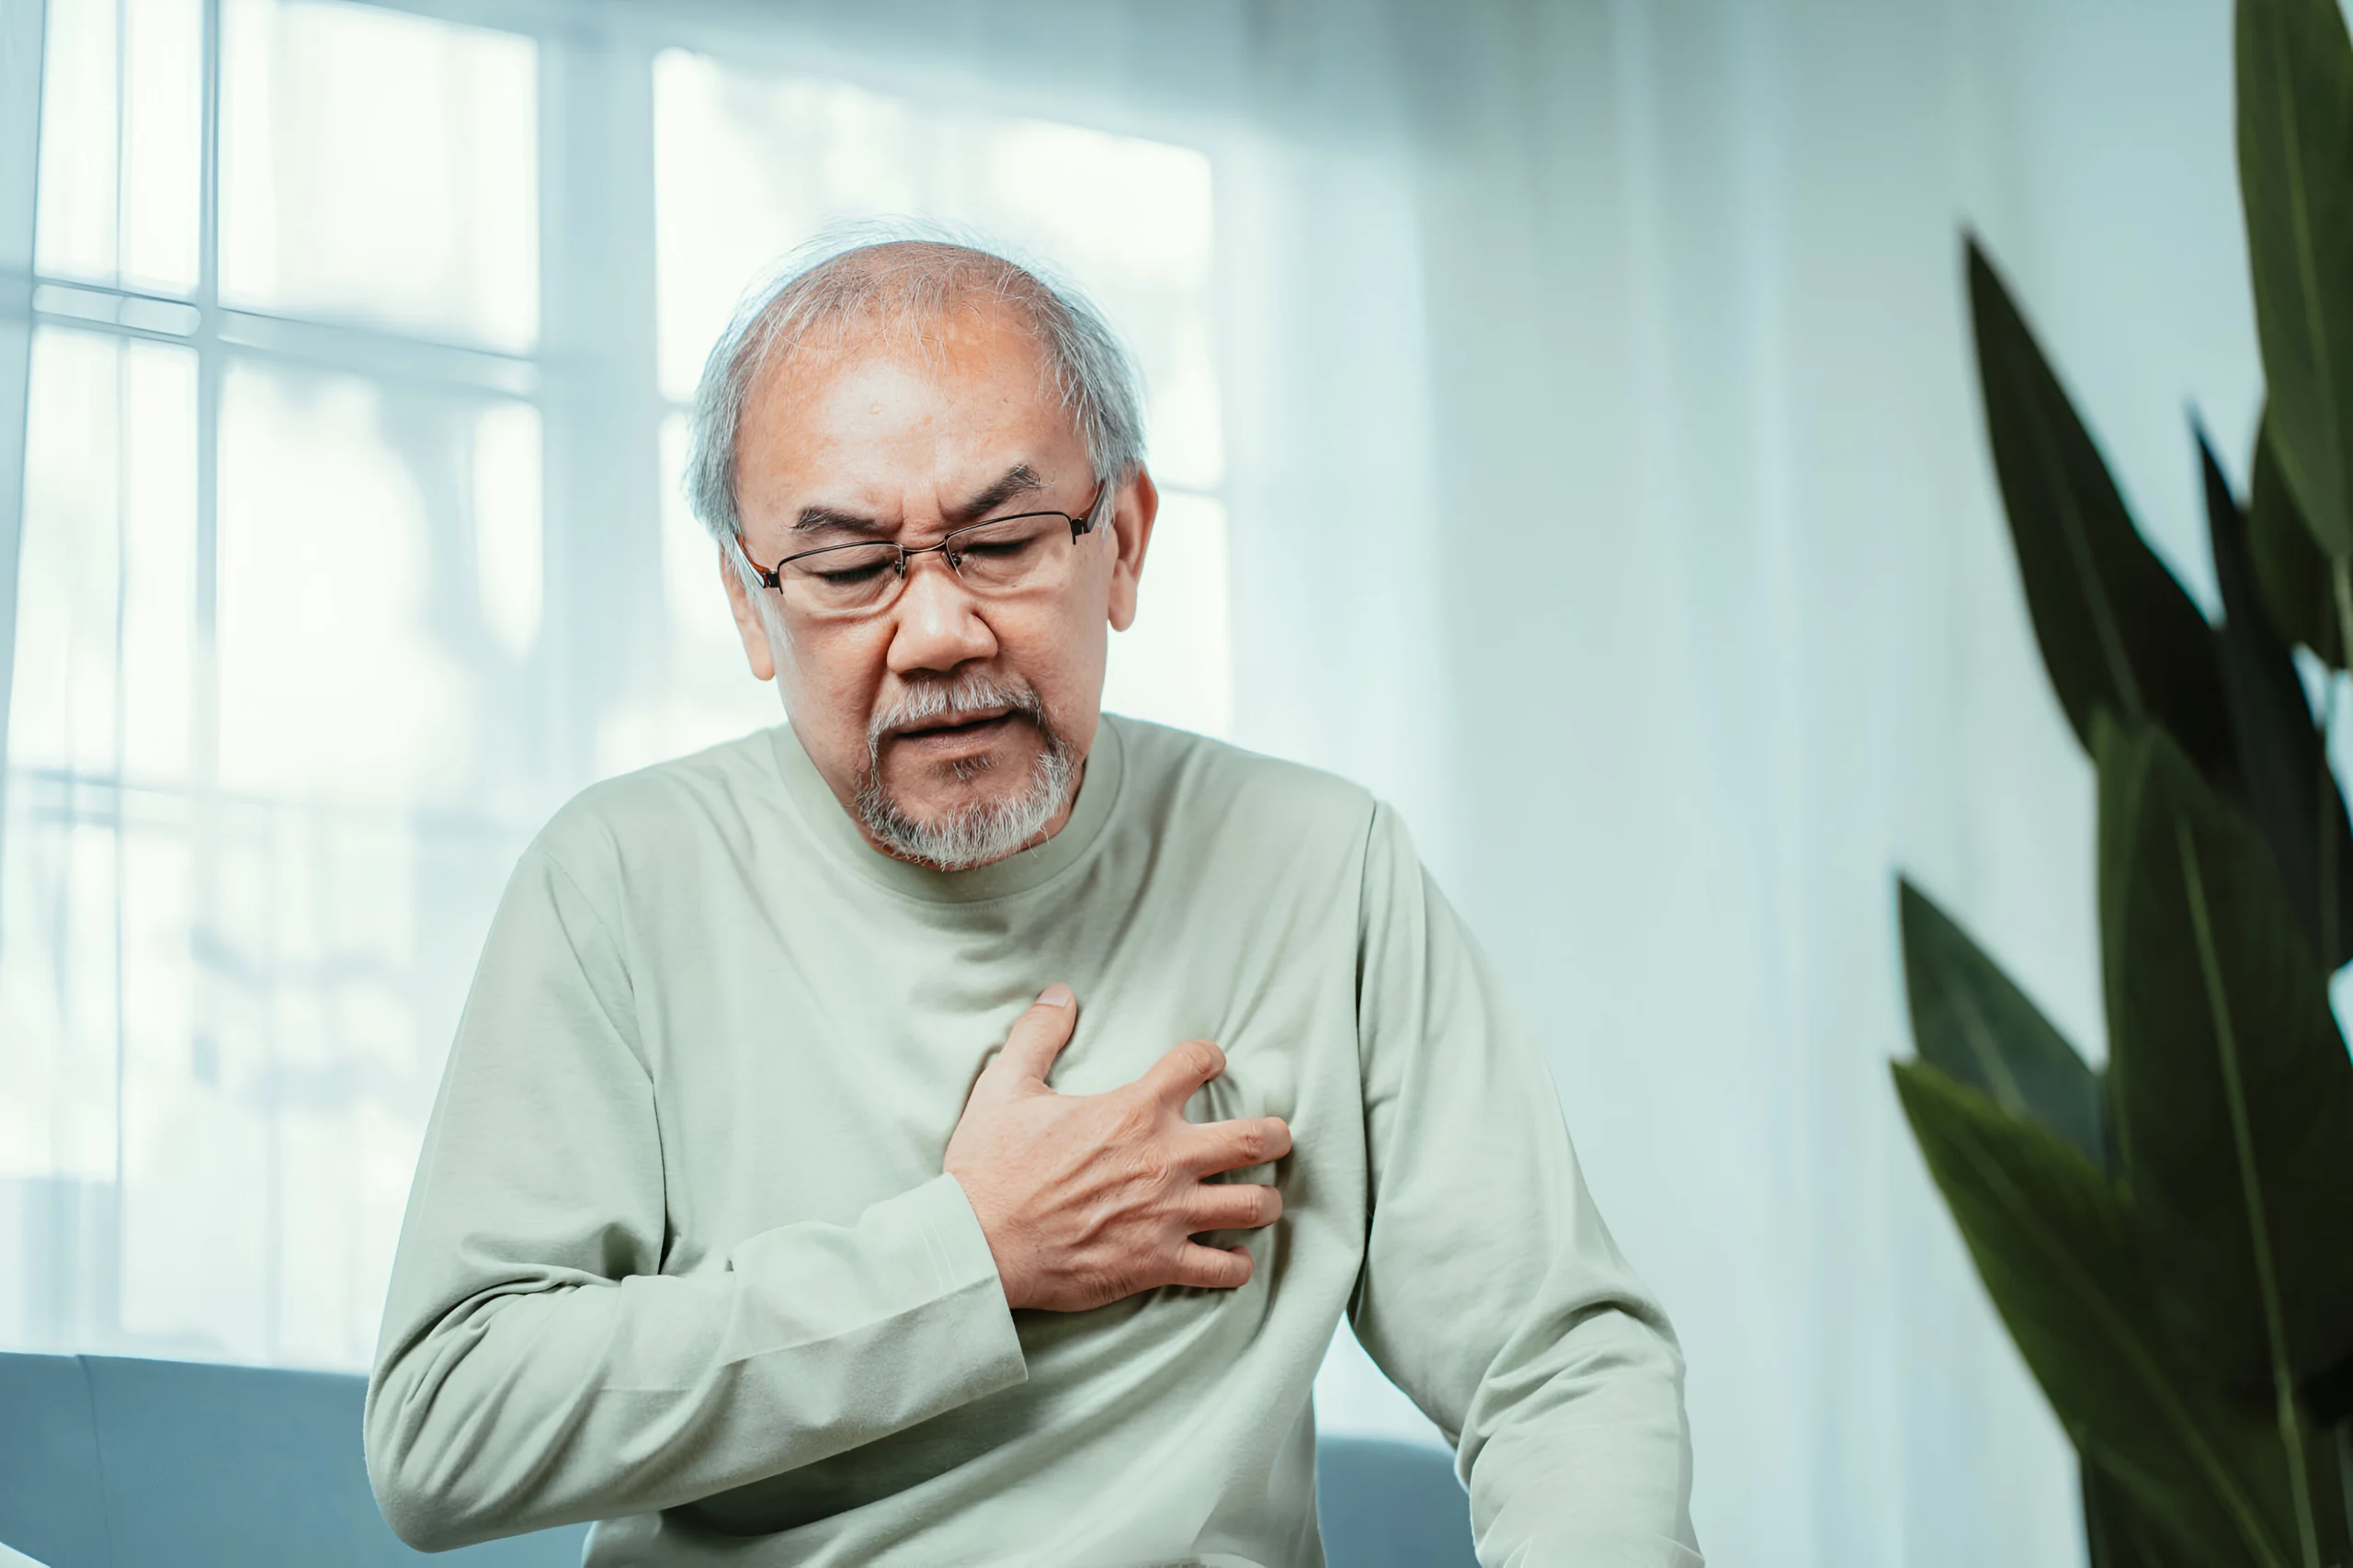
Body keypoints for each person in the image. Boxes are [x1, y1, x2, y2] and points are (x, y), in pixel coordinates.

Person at [364, 232, 1699, 1567]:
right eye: (847, 570)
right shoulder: (620, 878)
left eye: (1001, 542)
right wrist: (970, 1255)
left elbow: (1555, 1365)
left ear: (1121, 543)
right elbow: (447, 1425)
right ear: (746, 599)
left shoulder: (1320, 863)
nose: (939, 631)